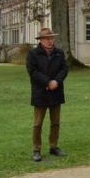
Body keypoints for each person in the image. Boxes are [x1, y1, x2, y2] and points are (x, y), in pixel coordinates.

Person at [26, 28, 69, 162]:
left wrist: (56, 81)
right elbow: (33, 72)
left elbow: (64, 69)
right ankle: (36, 149)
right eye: (47, 38)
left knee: (55, 122)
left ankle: (53, 146)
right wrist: (48, 81)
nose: (50, 41)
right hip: (41, 93)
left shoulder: (59, 53)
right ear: (41, 40)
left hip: (56, 91)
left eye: (51, 38)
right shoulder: (33, 54)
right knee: (38, 124)